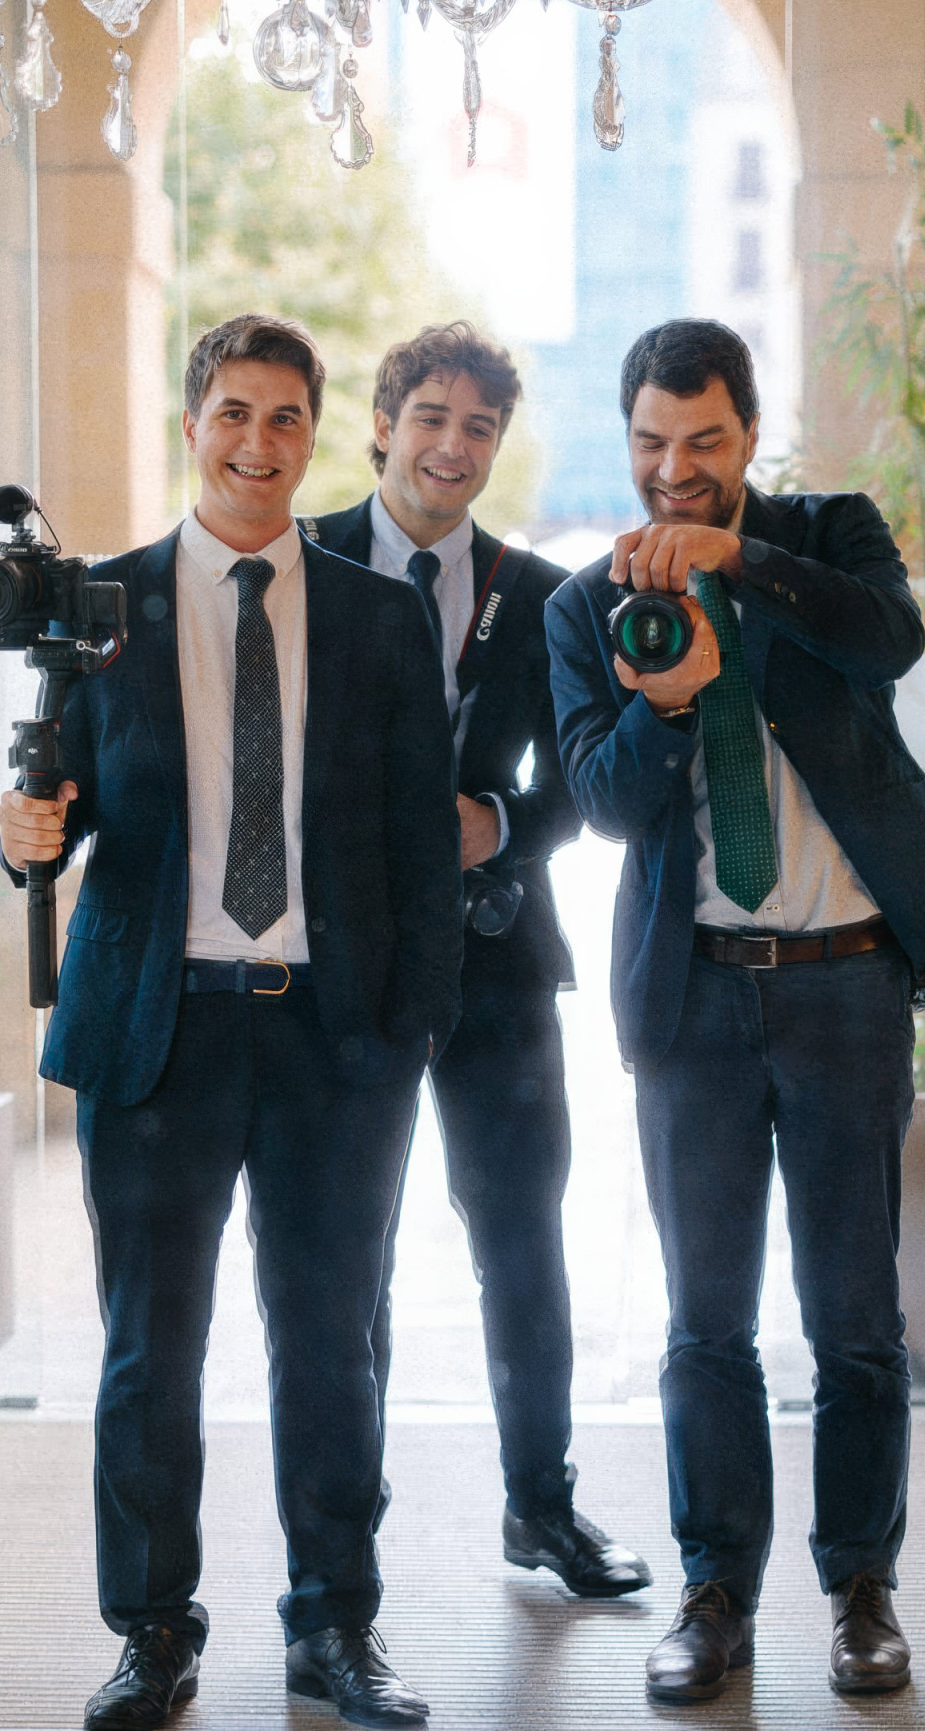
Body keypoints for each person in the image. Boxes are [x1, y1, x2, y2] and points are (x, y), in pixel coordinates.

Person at [0, 314, 463, 1731]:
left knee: (335, 1341)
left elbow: (417, 854)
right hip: (159, 1035)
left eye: (285, 420)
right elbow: (47, 821)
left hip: (334, 1041)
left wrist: (407, 1035)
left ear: (320, 435)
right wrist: (21, 837)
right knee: (153, 1349)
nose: (257, 445)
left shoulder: (379, 616)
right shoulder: (102, 607)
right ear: (192, 422)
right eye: (233, 415)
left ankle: (335, 1628)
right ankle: (151, 1629)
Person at [543, 319, 925, 1703]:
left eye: (701, 442)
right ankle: (713, 1593)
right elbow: (608, 806)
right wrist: (672, 704)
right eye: (648, 445)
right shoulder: (589, 607)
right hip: (697, 1002)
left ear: (747, 434)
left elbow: (893, 642)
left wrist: (740, 561)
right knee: (705, 1322)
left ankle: (862, 1589)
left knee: (857, 1315)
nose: (672, 472)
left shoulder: (828, 537)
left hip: (850, 987)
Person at [308, 321, 650, 1599]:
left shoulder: (547, 592)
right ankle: (345, 1534)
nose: (452, 446)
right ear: (384, 425)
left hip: (499, 960)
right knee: (347, 1255)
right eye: (431, 417)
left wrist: (493, 822)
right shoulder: (299, 561)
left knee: (521, 1242)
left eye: (479, 427)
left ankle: (541, 1508)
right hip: (341, 970)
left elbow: (580, 783)